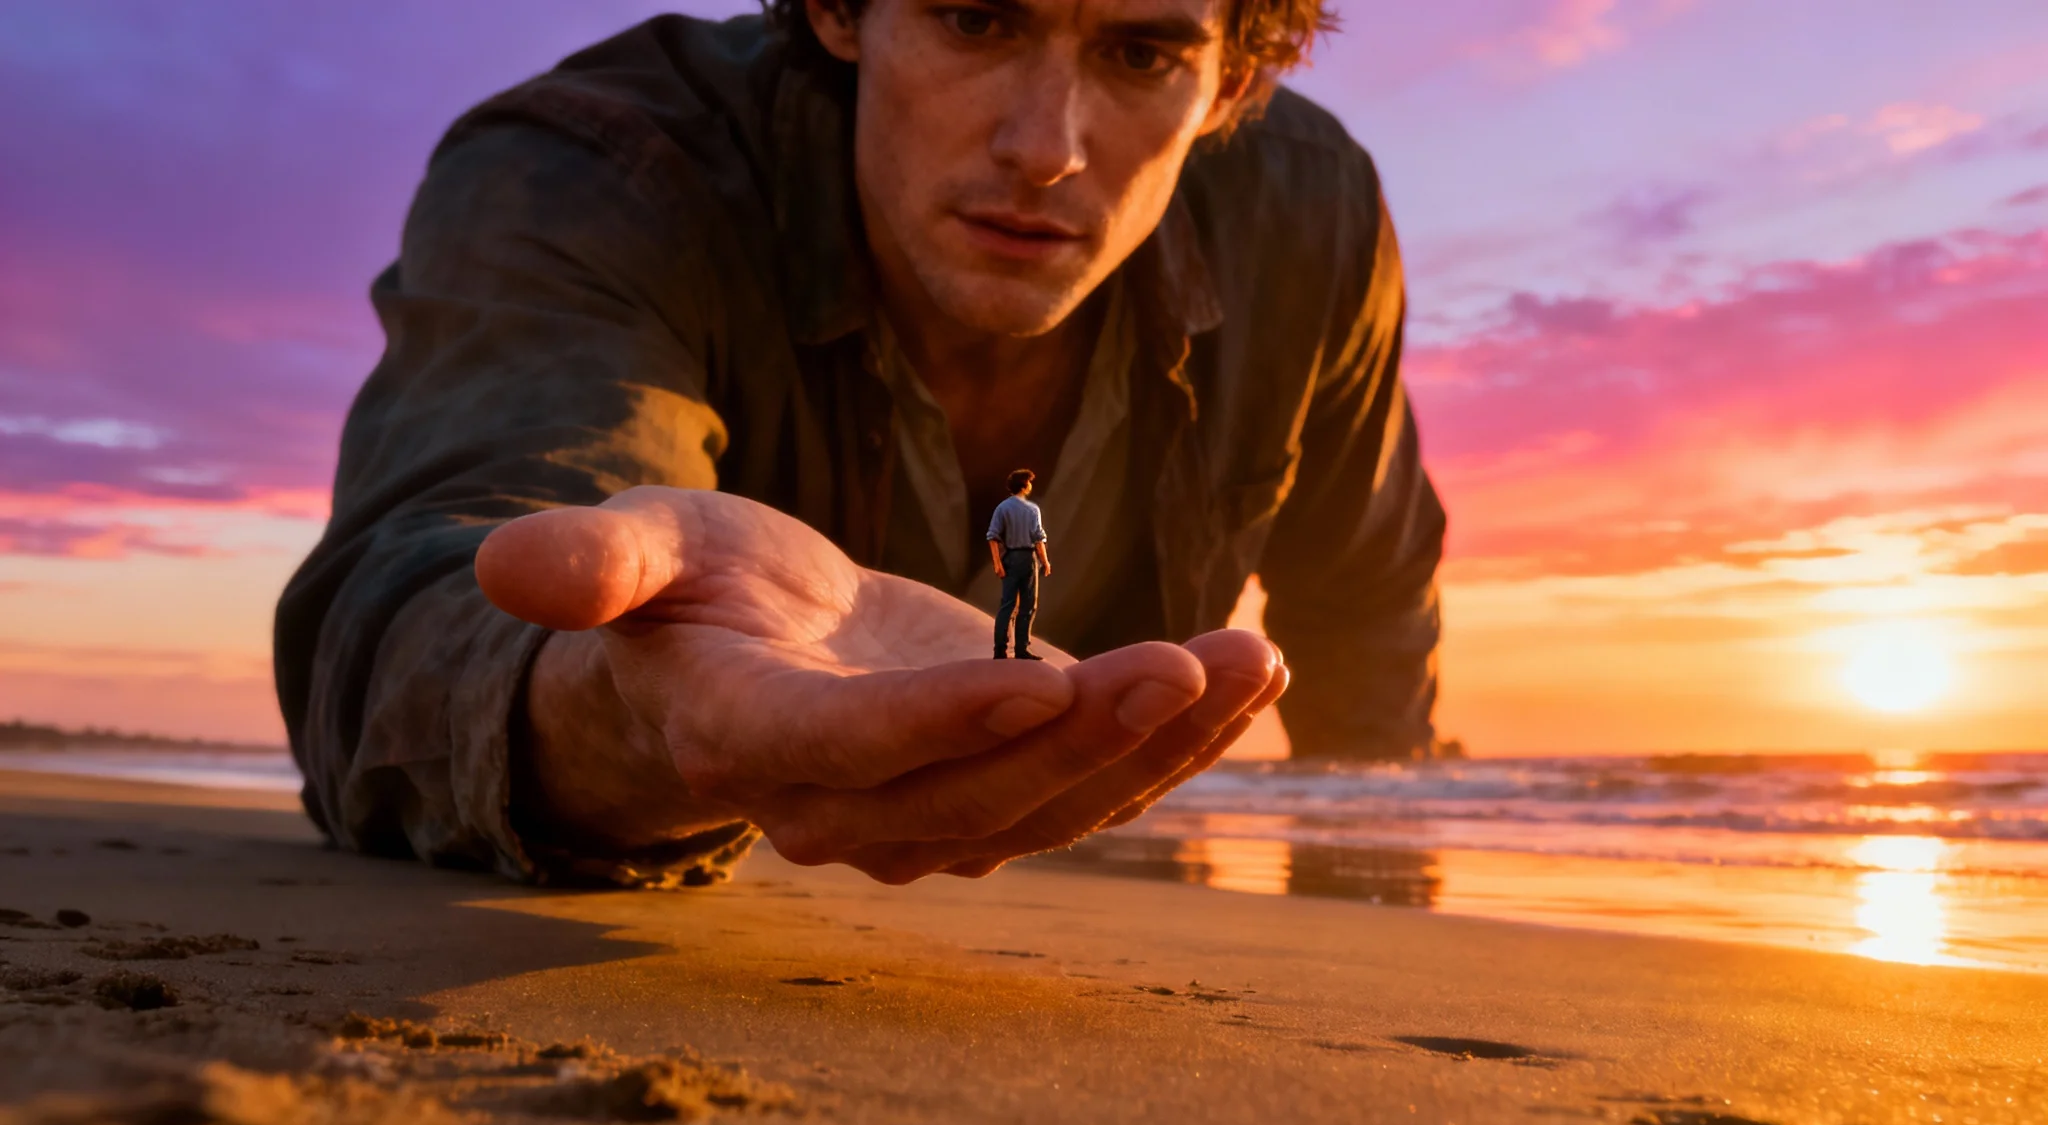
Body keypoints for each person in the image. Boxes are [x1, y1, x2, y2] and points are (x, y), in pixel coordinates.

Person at [274, 0, 1446, 891]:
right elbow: (411, 611)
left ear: (1232, 77)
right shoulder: (592, 168)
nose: (1045, 148)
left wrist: (1376, 893)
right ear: (837, 9)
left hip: (1111, 865)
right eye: (974, 18)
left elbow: (1363, 599)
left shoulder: (1308, 212)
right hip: (719, 890)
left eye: (1141, 54)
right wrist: (633, 712)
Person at [988, 469, 1052, 660]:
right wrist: (1045, 561)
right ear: (1025, 485)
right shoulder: (1032, 509)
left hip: (1009, 558)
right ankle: (1021, 648)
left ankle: (1000, 649)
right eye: (1029, 482)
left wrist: (997, 563)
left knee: (1006, 605)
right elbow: (1039, 539)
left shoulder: (1002, 508)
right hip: (1027, 559)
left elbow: (992, 537)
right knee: (1028, 605)